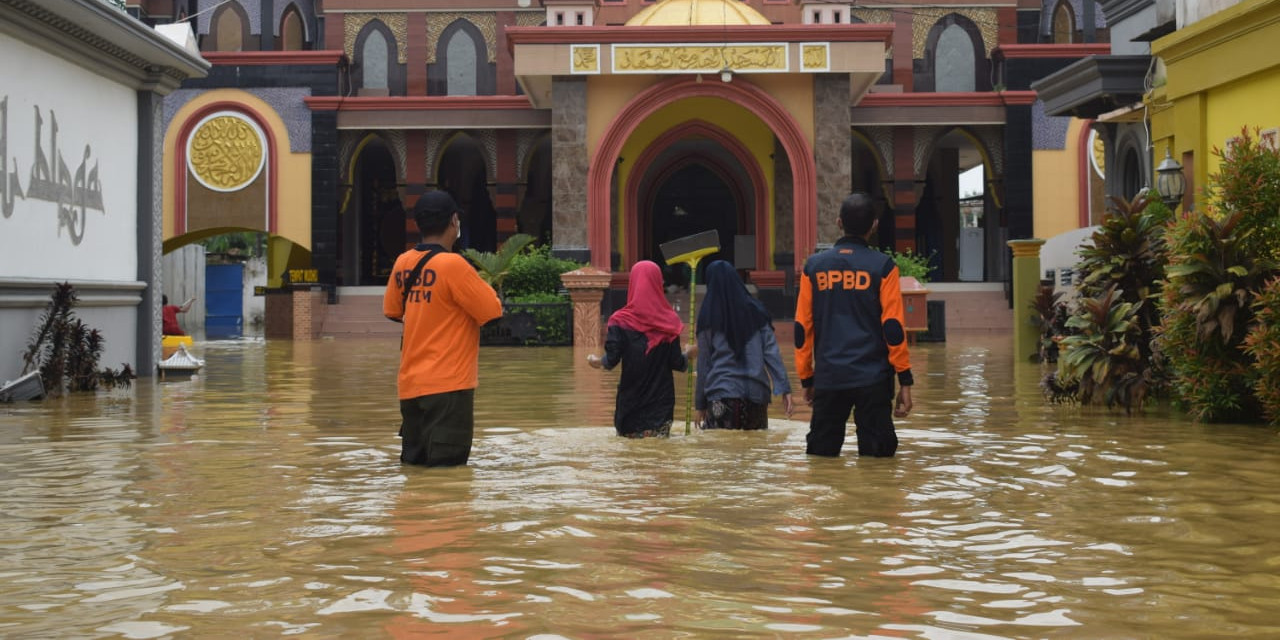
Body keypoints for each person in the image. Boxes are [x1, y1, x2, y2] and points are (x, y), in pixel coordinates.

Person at [383, 191, 502, 467]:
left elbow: (392, 311)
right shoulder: (454, 266)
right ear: (454, 221)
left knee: (416, 467)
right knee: (448, 475)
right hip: (449, 387)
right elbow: (492, 312)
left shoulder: (402, 263)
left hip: (410, 387)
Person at [794, 192, 914, 457]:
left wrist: (806, 378)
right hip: (874, 380)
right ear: (874, 225)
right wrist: (905, 380)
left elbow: (802, 328)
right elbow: (893, 328)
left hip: (829, 378)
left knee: (821, 461)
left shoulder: (813, 268)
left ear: (838, 223)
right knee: (878, 463)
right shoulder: (883, 267)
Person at [587, 260, 695, 438]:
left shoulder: (619, 321)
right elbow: (677, 362)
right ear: (657, 283)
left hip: (630, 405)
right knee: (659, 455)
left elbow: (611, 360)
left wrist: (595, 361)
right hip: (661, 405)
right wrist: (689, 354)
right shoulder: (670, 321)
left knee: (631, 456)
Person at [694, 260, 794, 429]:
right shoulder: (758, 312)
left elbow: (703, 364)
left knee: (720, 452)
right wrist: (785, 388)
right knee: (754, 452)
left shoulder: (708, 316)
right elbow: (772, 353)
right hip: (757, 397)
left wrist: (700, 405)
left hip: (722, 394)